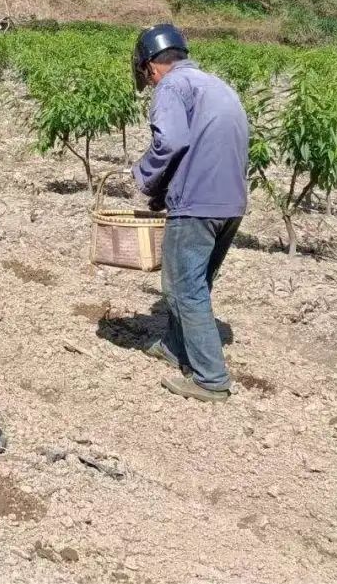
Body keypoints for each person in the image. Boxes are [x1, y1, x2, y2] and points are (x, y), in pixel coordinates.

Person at [131, 23, 248, 403]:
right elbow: (199, 145)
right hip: (230, 203)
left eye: (146, 78)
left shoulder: (171, 87)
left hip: (197, 203)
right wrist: (164, 192)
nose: (149, 84)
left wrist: (144, 177)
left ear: (151, 67)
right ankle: (175, 347)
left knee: (182, 287)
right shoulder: (215, 84)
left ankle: (210, 378)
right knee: (197, 282)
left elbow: (173, 141)